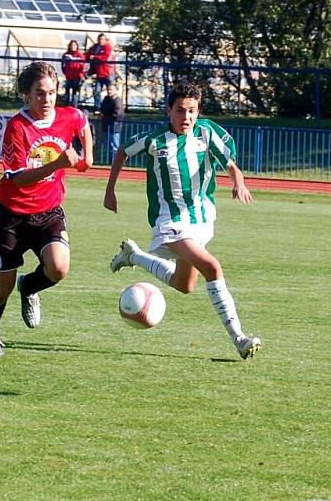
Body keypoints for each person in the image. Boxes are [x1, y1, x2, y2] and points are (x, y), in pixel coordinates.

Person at [103, 82, 262, 360]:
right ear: (168, 110)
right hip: (170, 220)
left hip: (200, 219)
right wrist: (110, 191)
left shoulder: (207, 132)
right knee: (212, 267)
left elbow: (231, 164)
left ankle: (134, 256)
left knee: (184, 285)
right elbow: (123, 152)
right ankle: (240, 339)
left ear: (198, 111)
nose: (186, 117)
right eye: (179, 111)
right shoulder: (155, 139)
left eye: (191, 111)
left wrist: (238, 181)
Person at [0, 61, 94, 357]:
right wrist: (57, 164)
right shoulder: (17, 127)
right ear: (27, 96)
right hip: (11, 216)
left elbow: (82, 121)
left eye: (52, 93)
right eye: (40, 94)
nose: (47, 100)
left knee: (59, 268)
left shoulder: (67, 116)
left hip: (49, 212)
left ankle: (29, 286)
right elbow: (17, 179)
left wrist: (88, 157)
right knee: (1, 288)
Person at [85, 32, 114, 111]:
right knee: (97, 91)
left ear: (105, 40)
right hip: (99, 73)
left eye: (102, 39)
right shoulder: (94, 47)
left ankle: (111, 107)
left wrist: (94, 57)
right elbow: (87, 55)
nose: (101, 40)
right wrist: (90, 57)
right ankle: (97, 108)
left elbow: (104, 57)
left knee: (111, 91)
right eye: (100, 39)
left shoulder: (108, 47)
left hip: (108, 72)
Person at [99, 83, 124, 164]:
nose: (109, 91)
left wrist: (106, 116)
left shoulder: (117, 101)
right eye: (108, 89)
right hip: (107, 126)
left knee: (114, 146)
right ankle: (110, 162)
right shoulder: (106, 99)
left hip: (115, 127)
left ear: (116, 91)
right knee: (109, 145)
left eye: (111, 90)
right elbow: (102, 109)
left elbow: (117, 114)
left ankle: (115, 163)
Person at [60, 40, 85, 108]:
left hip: (76, 77)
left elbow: (83, 66)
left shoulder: (80, 55)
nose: (73, 46)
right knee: (67, 93)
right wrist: (66, 73)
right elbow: (63, 65)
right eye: (71, 45)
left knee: (75, 94)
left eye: (74, 45)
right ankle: (66, 107)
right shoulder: (66, 55)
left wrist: (80, 74)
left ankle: (74, 108)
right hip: (68, 77)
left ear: (77, 46)